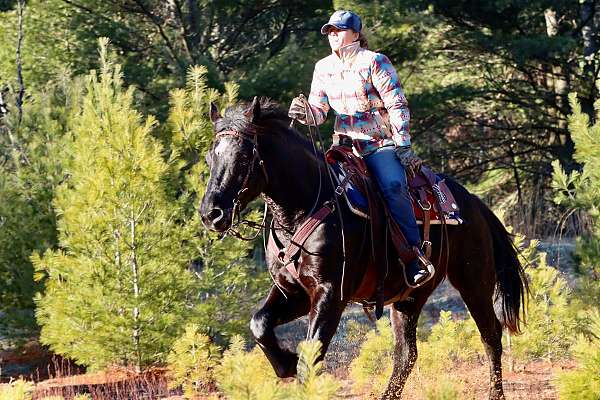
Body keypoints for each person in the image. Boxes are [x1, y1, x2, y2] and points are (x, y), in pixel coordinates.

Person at [288, 9, 432, 287]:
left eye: (338, 30)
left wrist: (402, 144)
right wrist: (305, 112)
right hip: (343, 146)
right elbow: (319, 112)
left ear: (355, 33)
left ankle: (414, 255)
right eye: (329, 31)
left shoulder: (374, 61)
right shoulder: (323, 67)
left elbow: (397, 104)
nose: (333, 36)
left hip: (380, 144)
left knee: (392, 186)